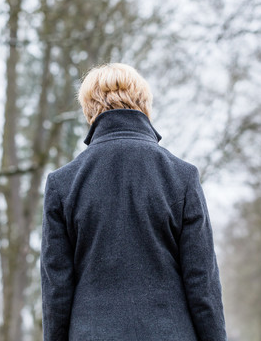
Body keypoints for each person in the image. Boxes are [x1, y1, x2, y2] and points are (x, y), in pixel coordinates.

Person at [41, 63, 227, 341]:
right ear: (144, 104)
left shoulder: (62, 184)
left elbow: (57, 291)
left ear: (89, 110)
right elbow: (202, 283)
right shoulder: (182, 177)